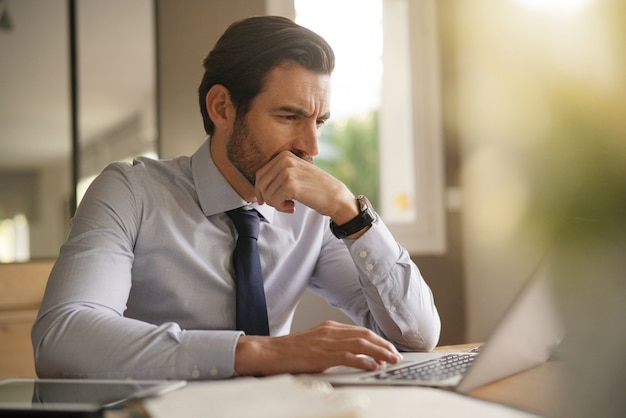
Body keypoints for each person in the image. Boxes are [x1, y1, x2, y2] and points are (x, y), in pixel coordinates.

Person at [32, 15, 440, 380]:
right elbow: (62, 337)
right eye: (288, 117)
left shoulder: (314, 215)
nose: (311, 146)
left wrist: (352, 214)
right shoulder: (129, 192)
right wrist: (260, 352)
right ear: (222, 108)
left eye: (319, 121)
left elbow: (417, 335)